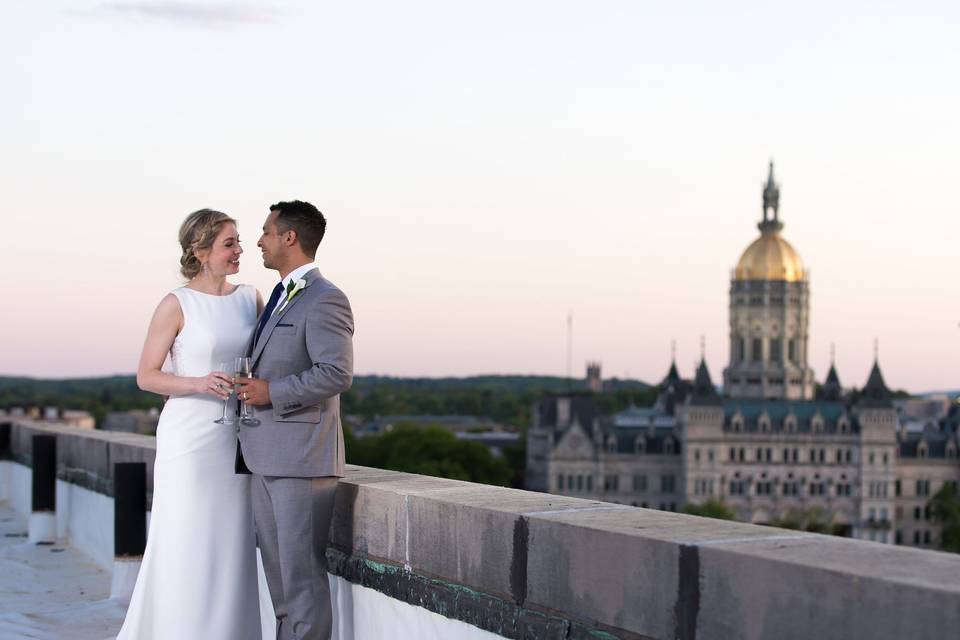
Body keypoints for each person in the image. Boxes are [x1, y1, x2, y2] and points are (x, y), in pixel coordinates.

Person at [118, 209, 266, 639]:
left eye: (239, 241)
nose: (240, 250)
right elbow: (147, 375)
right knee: (186, 538)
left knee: (231, 540)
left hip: (235, 436)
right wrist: (199, 382)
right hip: (190, 437)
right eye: (229, 244)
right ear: (200, 251)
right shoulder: (175, 303)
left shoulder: (250, 297)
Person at [235, 200, 354, 640]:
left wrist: (271, 392)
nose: (259, 241)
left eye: (266, 231)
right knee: (281, 588)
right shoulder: (280, 298)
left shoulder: (327, 298)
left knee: (302, 584)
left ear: (290, 237)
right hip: (264, 458)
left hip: (302, 462)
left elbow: (336, 373)